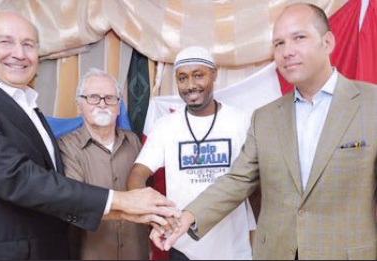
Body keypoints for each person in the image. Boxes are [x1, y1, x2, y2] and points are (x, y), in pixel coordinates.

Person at [151, 3, 377, 260]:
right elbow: (237, 179)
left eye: (299, 38)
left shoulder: (371, 105)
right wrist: (187, 217)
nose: (287, 51)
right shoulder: (265, 117)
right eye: (278, 43)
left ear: (327, 42)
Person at [0, 10, 180, 260]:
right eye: (6, 42)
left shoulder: (30, 109)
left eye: (28, 44)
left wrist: (125, 211)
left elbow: (50, 194)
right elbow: (17, 177)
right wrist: (121, 203)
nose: (19, 53)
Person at [128, 46, 257, 260]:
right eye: (182, 78)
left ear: (213, 74)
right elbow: (136, 176)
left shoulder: (241, 120)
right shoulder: (165, 125)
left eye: (198, 75)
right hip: (183, 245)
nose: (191, 86)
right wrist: (154, 215)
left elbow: (254, 180)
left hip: (232, 247)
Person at [58, 68, 149, 260]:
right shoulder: (65, 146)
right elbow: (75, 203)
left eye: (109, 98)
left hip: (136, 252)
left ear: (118, 106)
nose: (102, 104)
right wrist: (127, 209)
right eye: (93, 97)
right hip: (90, 253)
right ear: (79, 104)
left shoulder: (134, 142)